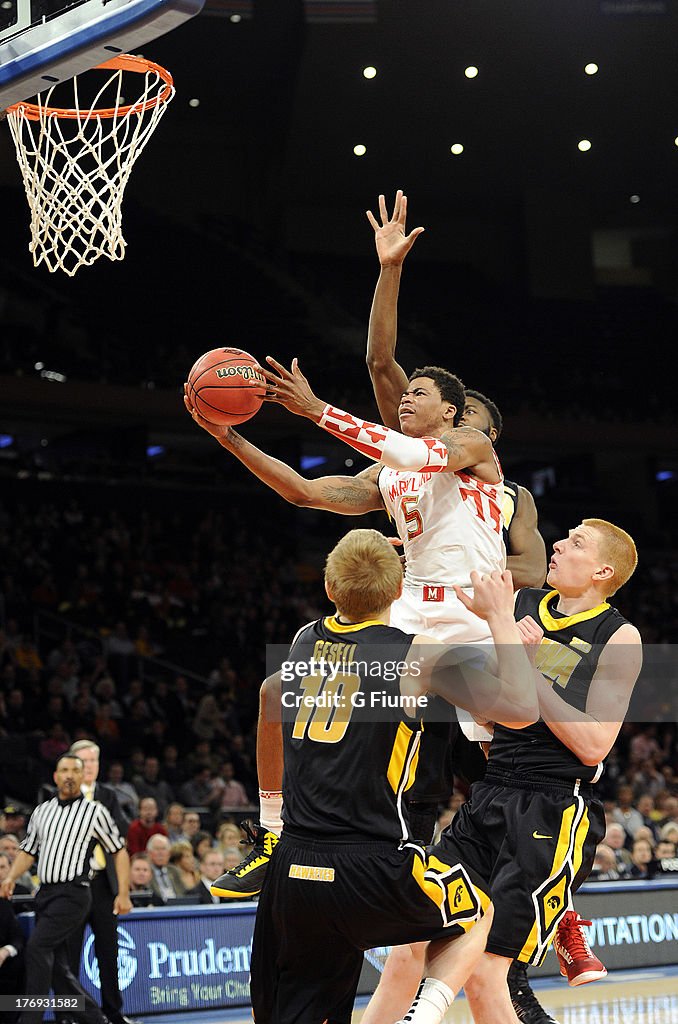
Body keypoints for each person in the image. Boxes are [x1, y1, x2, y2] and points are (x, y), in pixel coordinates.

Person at [239, 528, 539, 1024]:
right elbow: (521, 710)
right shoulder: (419, 655)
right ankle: (423, 1014)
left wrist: (270, 814)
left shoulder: (302, 641)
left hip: (294, 864)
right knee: (475, 914)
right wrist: (501, 620)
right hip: (374, 862)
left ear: (330, 589)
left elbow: (270, 694)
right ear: (400, 591)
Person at [0, 754, 131, 1024]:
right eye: (64, 770)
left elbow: (118, 851)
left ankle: (29, 1019)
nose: (70, 775)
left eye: (75, 770)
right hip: (45, 894)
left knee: (37, 947)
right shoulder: (42, 811)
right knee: (59, 969)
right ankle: (96, 1019)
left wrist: (123, 893)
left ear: (83, 777)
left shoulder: (95, 812)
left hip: (73, 892)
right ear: (56, 776)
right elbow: (28, 851)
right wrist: (10, 877)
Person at [63, 741, 137, 1024]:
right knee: (68, 956)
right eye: (85, 761)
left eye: (94, 760)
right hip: (72, 884)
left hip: (104, 885)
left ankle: (114, 1013)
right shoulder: (60, 796)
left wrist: (122, 890)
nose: (90, 766)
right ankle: (69, 1015)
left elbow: (119, 837)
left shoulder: (108, 795)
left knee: (109, 952)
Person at [146, 834, 185, 902]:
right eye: (157, 849)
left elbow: (183, 894)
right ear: (149, 853)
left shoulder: (175, 871)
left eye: (163, 849)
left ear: (169, 853)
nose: (160, 853)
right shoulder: (146, 872)